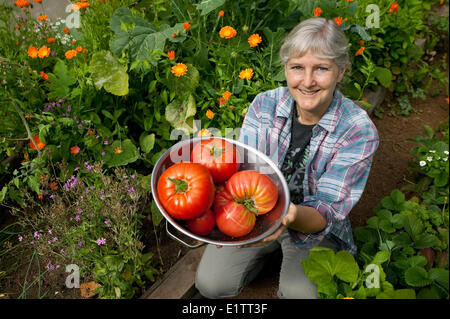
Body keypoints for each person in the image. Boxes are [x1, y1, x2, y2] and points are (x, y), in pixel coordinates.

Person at [195, 17, 379, 299]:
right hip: (254, 213)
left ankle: (283, 255)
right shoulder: (264, 106)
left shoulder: (358, 130)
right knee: (211, 284)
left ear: (341, 71)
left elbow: (326, 212)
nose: (307, 81)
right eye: (297, 68)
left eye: (321, 69)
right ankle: (268, 251)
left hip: (313, 228)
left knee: (299, 295)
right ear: (285, 68)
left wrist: (288, 215)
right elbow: (242, 173)